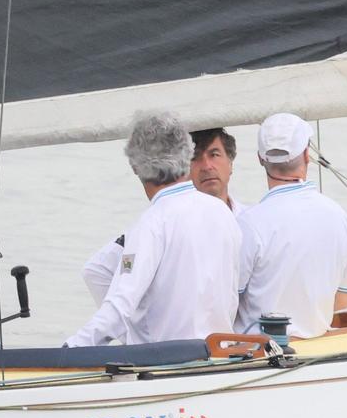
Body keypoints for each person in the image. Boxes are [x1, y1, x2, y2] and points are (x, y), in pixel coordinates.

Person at [66, 112, 240, 346]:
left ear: (135, 167)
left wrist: (71, 348)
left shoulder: (150, 224)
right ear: (187, 155)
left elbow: (119, 305)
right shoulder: (223, 214)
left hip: (165, 364)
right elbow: (231, 298)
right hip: (219, 356)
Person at [81, 127, 245, 305]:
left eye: (214, 154)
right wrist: (135, 328)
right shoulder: (160, 223)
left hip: (242, 331)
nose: (206, 166)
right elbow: (97, 270)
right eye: (195, 158)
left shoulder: (251, 221)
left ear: (230, 163)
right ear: (182, 167)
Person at [234, 113, 347, 337]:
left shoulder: (248, 224)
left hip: (260, 355)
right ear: (307, 155)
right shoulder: (340, 217)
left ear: (260, 159)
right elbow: (342, 300)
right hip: (318, 350)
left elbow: (228, 302)